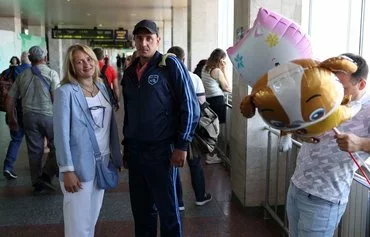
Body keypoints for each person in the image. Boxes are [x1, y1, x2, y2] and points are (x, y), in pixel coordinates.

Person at [121, 20, 200, 237]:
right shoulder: (129, 73)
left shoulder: (170, 66)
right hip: (136, 152)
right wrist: (126, 147)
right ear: (134, 40)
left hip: (162, 151)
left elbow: (191, 107)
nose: (144, 43)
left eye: (149, 38)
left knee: (168, 211)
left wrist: (182, 145)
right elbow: (128, 114)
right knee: (141, 211)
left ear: (157, 40)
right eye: (139, 38)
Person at [286, 53, 370, 237]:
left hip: (324, 198)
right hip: (297, 185)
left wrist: (361, 143)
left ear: (361, 84)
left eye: (343, 87)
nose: (335, 92)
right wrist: (303, 134)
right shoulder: (327, 96)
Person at [53, 44, 122, 237]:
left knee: (91, 219)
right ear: (72, 66)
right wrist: (67, 170)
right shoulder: (65, 92)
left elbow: (109, 127)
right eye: (79, 61)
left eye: (89, 59)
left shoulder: (101, 86)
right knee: (77, 225)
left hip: (102, 161)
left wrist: (115, 156)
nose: (86, 64)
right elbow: (60, 134)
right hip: (78, 165)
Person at [6, 46, 59, 193]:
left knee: (35, 150)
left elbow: (10, 98)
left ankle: (36, 182)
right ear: (45, 58)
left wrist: (12, 119)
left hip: (28, 117)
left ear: (30, 59)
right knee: (59, 146)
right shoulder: (51, 73)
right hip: (49, 115)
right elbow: (56, 98)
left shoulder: (22, 76)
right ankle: (46, 175)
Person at [167, 46, 213, 211]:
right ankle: (200, 196)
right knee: (194, 163)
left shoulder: (165, 77)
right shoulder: (194, 78)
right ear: (184, 59)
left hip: (170, 128)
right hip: (191, 128)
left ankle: (178, 201)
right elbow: (201, 106)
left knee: (173, 166)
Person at [3, 52, 31, 179]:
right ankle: (38, 171)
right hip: (26, 109)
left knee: (15, 139)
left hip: (11, 110)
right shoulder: (30, 71)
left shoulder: (6, 72)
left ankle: (8, 167)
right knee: (35, 140)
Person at [201, 48, 231, 164]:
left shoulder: (205, 67)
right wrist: (224, 69)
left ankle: (209, 152)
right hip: (217, 101)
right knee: (217, 129)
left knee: (210, 128)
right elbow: (226, 87)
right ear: (221, 59)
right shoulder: (217, 71)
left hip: (208, 100)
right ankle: (211, 155)